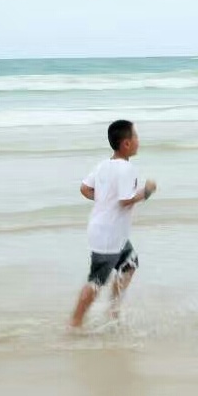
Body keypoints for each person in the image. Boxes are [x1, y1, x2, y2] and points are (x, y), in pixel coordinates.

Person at [70, 120, 157, 328]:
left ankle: (113, 309)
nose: (138, 140)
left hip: (112, 233)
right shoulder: (127, 169)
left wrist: (104, 200)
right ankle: (74, 323)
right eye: (135, 136)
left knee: (130, 263)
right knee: (97, 281)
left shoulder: (103, 165)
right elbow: (125, 200)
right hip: (108, 235)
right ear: (126, 143)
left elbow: (84, 188)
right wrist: (147, 192)